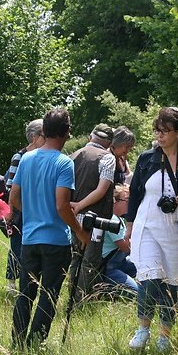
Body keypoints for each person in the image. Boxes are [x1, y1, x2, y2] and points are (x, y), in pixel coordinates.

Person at [125, 107, 178, 352]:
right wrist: (129, 227)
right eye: (157, 131)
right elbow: (135, 194)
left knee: (171, 282)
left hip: (176, 230)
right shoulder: (146, 158)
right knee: (149, 278)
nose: (160, 136)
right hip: (148, 225)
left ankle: (165, 335)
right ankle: (143, 329)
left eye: (166, 131)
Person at [10, 107, 90, 348]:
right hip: (56, 241)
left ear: (43, 131)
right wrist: (79, 231)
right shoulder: (64, 163)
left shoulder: (27, 158)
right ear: (66, 133)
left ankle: (17, 343)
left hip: (30, 240)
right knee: (49, 294)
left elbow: (13, 197)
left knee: (26, 293)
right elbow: (62, 206)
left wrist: (33, 213)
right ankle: (36, 343)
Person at [68, 123, 115, 301]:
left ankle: (72, 297)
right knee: (90, 260)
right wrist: (80, 205)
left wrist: (72, 206)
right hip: (93, 218)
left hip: (71, 216)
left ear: (90, 137)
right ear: (109, 143)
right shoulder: (107, 158)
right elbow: (101, 190)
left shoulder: (72, 155)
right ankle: (83, 300)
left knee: (75, 257)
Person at [3, 119, 45, 293]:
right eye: (45, 134)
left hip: (37, 208)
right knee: (17, 246)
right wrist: (12, 211)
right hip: (20, 209)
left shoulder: (45, 155)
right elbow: (10, 186)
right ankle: (12, 283)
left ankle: (32, 280)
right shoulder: (19, 156)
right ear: (34, 137)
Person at [99, 184, 139, 298]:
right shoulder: (111, 220)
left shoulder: (120, 219)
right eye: (127, 200)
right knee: (136, 293)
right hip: (109, 268)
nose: (129, 204)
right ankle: (107, 290)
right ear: (115, 201)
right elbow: (125, 247)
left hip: (121, 262)